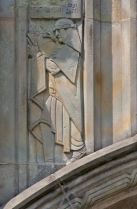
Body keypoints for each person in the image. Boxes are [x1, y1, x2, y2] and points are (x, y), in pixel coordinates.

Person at [28, 19, 85, 164]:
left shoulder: (70, 51)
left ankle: (78, 148)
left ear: (67, 30)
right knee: (46, 122)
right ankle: (49, 161)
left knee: (68, 121)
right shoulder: (64, 49)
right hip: (57, 94)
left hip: (65, 95)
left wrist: (37, 54)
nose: (57, 35)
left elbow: (53, 67)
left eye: (58, 31)